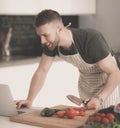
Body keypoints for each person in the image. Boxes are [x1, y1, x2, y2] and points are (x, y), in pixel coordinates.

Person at [16, 9, 120, 110]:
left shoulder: (90, 38)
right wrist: (29, 99)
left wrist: (99, 98)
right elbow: (42, 71)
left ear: (60, 29)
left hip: (108, 83)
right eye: (40, 36)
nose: (42, 41)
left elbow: (115, 73)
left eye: (45, 35)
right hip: (86, 84)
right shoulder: (52, 44)